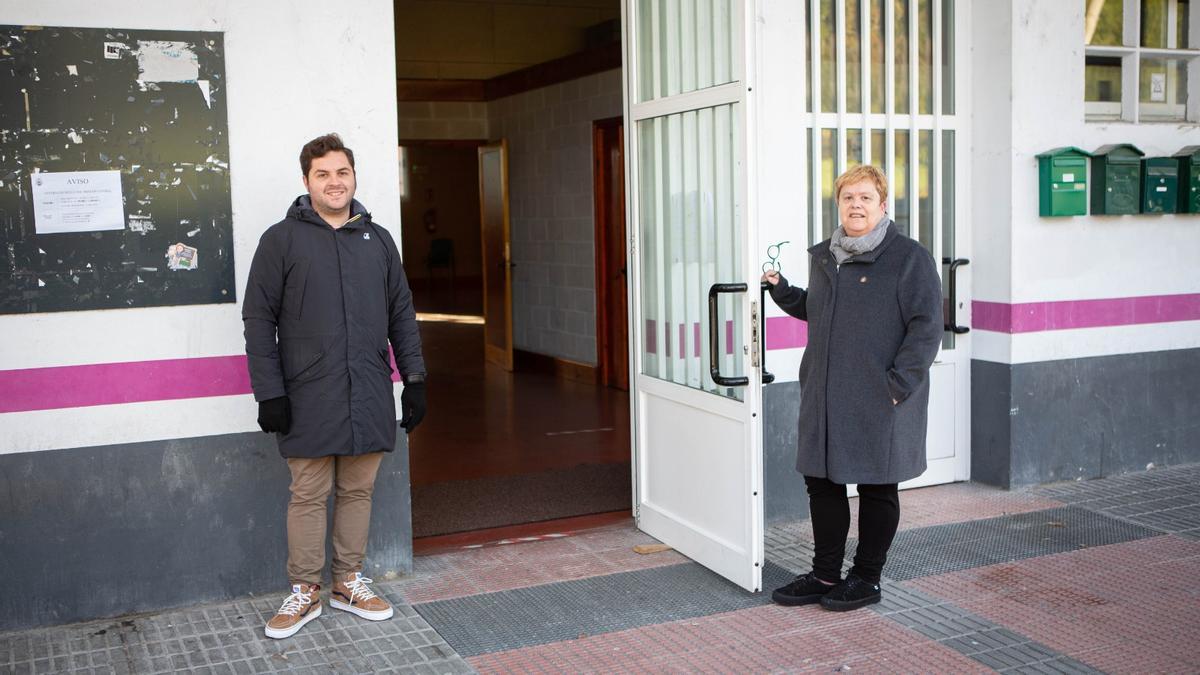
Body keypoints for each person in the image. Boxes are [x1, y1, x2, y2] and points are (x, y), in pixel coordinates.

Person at [243, 133, 427, 638]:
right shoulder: (281, 240)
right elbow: (258, 320)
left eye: (341, 172)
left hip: (367, 387)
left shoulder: (379, 239)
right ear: (306, 181)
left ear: (354, 177)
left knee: (358, 490)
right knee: (308, 493)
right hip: (306, 393)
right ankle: (305, 591)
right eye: (322, 174)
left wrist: (413, 379)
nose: (334, 182)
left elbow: (401, 315)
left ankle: (347, 581)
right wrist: (270, 392)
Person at [763, 165, 942, 611]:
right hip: (824, 395)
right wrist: (784, 292)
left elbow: (926, 328)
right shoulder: (826, 256)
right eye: (847, 198)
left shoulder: (908, 258)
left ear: (883, 206)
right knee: (821, 483)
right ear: (838, 204)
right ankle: (826, 575)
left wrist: (897, 386)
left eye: (865, 197)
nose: (855, 205)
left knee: (877, 487)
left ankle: (865, 578)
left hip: (880, 398)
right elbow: (823, 310)